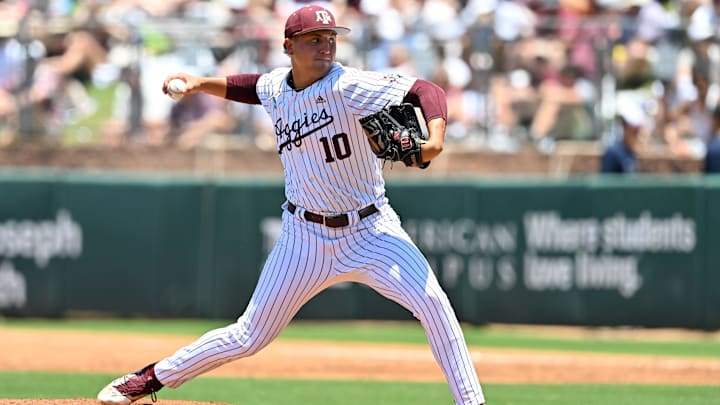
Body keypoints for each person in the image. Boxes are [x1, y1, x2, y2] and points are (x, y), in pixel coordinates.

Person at [96, 4, 487, 405]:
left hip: (372, 231)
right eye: (314, 40)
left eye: (331, 39)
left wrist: (435, 137)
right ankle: (148, 379)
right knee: (249, 335)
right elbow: (251, 87)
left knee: (435, 305)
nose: (326, 47)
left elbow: (426, 90)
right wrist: (201, 83)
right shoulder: (277, 88)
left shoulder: (347, 85)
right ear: (289, 46)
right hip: (305, 237)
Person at [600, 97, 647, 173]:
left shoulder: (630, 152)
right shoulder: (613, 153)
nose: (638, 133)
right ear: (623, 125)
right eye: (634, 129)